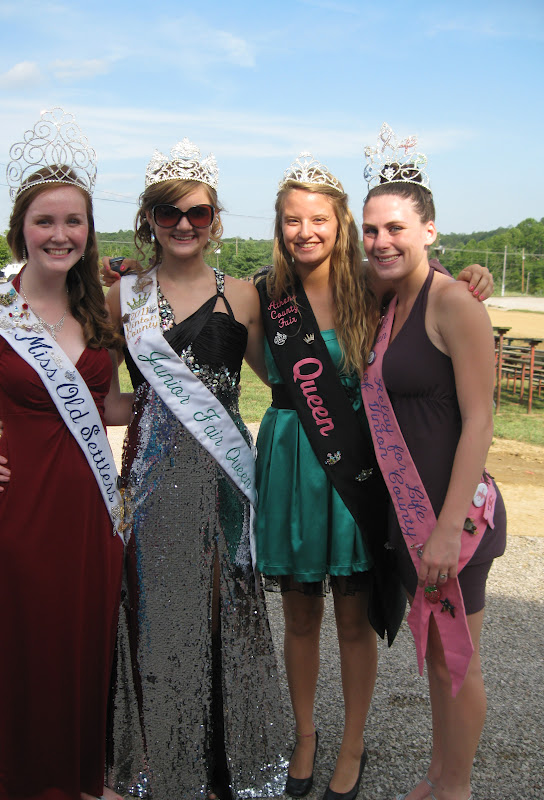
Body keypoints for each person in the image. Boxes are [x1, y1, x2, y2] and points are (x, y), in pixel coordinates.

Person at [252, 152, 495, 800]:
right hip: (344, 486)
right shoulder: (299, 295)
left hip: (404, 494)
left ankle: (412, 770)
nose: (306, 231)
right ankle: (377, 759)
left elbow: (476, 411)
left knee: (412, 642)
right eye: (291, 220)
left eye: (321, 219)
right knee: (332, 627)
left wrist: (469, 272)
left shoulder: (406, 293)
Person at [0, 109, 130, 800]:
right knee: (32, 651)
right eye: (45, 221)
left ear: (88, 232)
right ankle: (33, 786)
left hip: (91, 510)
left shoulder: (100, 313)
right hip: (22, 512)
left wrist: (161, 406)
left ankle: (84, 779)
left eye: (73, 221)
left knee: (87, 645)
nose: (60, 234)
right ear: (22, 227)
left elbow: (103, 407)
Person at [104, 138, 287, 800]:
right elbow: (97, 389)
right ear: (148, 219)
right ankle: (160, 761)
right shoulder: (121, 295)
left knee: (220, 616)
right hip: (153, 483)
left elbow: (289, 380)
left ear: (215, 220)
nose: (184, 225)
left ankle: (220, 766)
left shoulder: (244, 295)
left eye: (199, 213)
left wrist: (443, 281)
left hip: (223, 481)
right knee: (155, 619)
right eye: (168, 212)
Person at [360, 123, 506, 800]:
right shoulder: (391, 302)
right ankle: (438, 775)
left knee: (459, 662)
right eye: (370, 230)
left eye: (394, 227)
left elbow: (480, 419)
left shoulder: (453, 302)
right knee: (440, 663)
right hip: (408, 514)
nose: (381, 241)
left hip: (454, 521)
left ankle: (458, 789)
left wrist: (447, 529)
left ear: (429, 231)